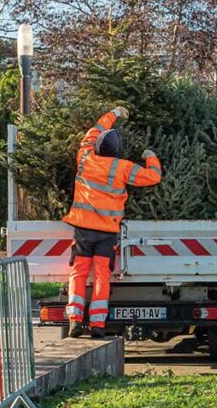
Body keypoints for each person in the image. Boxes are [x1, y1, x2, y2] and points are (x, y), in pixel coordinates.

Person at [63, 107, 161, 337]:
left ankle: (75, 320)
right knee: (102, 275)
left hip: (83, 230)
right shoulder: (122, 167)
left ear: (97, 147)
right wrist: (150, 157)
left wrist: (114, 113)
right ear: (116, 151)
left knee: (78, 273)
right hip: (107, 232)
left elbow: (94, 131)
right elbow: (154, 177)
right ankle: (98, 324)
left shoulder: (85, 157)